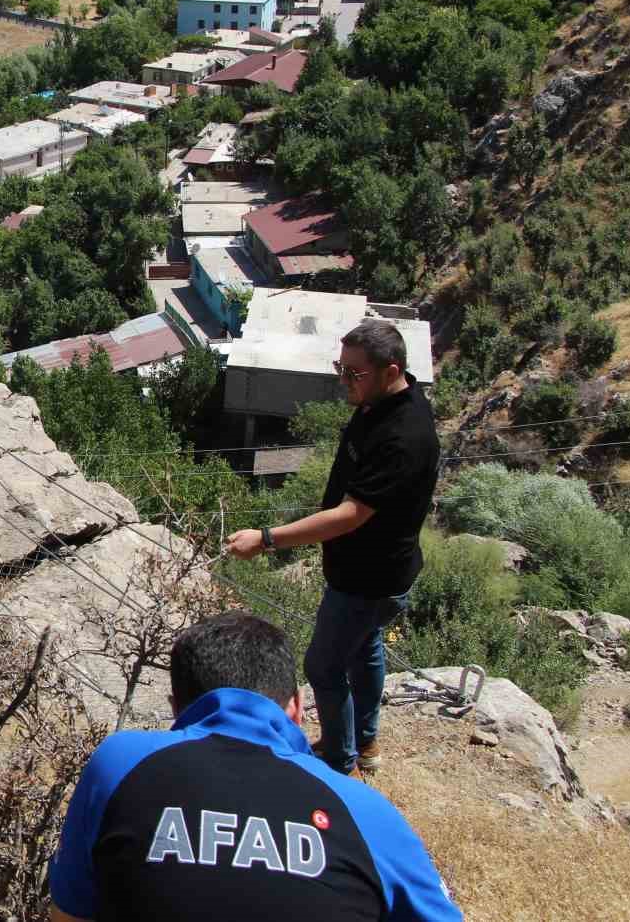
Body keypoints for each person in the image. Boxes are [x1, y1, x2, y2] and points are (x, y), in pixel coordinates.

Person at [48, 612, 460, 922]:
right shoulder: (366, 812)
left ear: (176, 707)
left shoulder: (120, 763)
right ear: (297, 707)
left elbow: (69, 915)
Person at [224, 320, 439, 776]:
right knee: (365, 650)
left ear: (391, 370)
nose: (343, 381)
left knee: (321, 666)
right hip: (373, 571)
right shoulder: (381, 402)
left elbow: (350, 515)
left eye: (354, 373)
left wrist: (266, 539)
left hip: (369, 579)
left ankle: (340, 761)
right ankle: (366, 741)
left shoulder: (403, 434)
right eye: (341, 368)